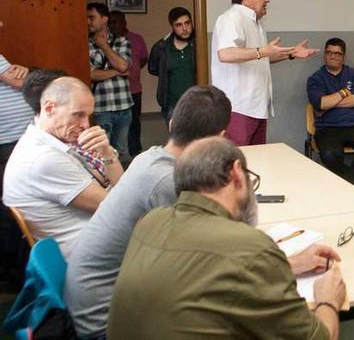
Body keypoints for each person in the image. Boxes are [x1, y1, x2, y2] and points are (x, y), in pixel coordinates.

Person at [107, 137, 346, 340]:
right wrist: (327, 300)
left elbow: (202, 272)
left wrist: (286, 264)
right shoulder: (250, 247)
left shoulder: (150, 222)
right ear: (236, 173)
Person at [65, 85, 231, 339]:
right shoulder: (167, 182)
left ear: (172, 122)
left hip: (95, 298)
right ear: (219, 137)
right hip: (106, 321)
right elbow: (196, 263)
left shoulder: (150, 158)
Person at [2, 77, 123, 258]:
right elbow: (122, 208)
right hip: (92, 259)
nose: (86, 125)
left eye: (87, 116)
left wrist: (106, 153)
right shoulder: (44, 159)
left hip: (91, 242)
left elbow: (121, 193)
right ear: (50, 108)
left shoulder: (45, 142)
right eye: (78, 115)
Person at [211, 0, 319, 146]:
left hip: (257, 106)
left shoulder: (256, 24)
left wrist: (291, 53)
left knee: (256, 161)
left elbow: (259, 58)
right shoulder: (231, 18)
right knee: (235, 161)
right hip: (237, 107)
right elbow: (225, 54)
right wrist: (263, 51)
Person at [307, 38, 354, 188]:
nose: (333, 56)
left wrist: (329, 103)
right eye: (329, 52)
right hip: (327, 127)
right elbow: (319, 103)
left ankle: (348, 184)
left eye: (337, 53)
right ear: (324, 55)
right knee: (330, 155)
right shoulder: (315, 78)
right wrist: (344, 92)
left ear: (343, 56)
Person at [0, 53, 33, 284]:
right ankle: (12, 270)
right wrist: (30, 74)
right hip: (7, 143)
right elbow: (21, 82)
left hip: (13, 142)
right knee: (11, 209)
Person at [87, 2, 133, 161]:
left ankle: (124, 184)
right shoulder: (85, 45)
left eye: (92, 17)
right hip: (101, 107)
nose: (88, 22)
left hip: (124, 106)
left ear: (104, 19)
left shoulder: (122, 41)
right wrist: (118, 71)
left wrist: (104, 46)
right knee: (103, 154)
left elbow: (123, 64)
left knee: (122, 152)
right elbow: (91, 75)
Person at [108, 10, 148, 157]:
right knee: (116, 125)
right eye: (109, 22)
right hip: (115, 92)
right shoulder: (107, 41)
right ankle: (115, 155)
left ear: (124, 22)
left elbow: (144, 58)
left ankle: (135, 151)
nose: (111, 26)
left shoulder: (136, 39)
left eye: (114, 22)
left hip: (134, 89)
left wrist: (134, 70)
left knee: (134, 122)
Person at [148, 6, 196, 124]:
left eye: (187, 23)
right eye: (179, 25)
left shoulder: (198, 44)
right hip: (172, 104)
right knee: (178, 139)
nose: (185, 28)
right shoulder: (161, 47)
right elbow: (153, 69)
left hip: (197, 102)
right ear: (172, 27)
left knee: (197, 140)